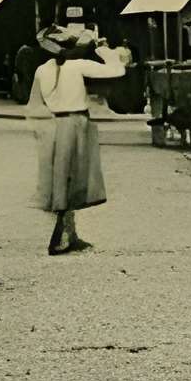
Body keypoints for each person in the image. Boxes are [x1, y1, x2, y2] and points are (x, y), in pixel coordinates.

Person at [27, 25, 132, 255]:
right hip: (75, 123)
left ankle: (69, 234)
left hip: (55, 124)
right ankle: (61, 236)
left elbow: (37, 104)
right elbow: (117, 71)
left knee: (61, 178)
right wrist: (103, 49)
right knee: (75, 179)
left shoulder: (42, 70)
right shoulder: (77, 66)